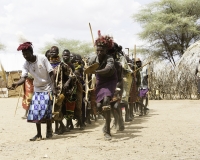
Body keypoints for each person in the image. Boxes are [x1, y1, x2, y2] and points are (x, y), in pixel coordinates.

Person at [12, 42, 56, 141]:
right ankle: (39, 134)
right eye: (24, 55)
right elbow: (24, 77)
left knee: (46, 110)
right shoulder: (25, 64)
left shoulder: (42, 58)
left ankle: (49, 130)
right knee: (36, 111)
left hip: (48, 87)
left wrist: (54, 87)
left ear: (31, 52)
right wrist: (17, 84)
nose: (25, 56)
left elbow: (51, 72)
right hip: (37, 89)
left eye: (27, 54)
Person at [90, 31, 117, 140]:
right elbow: (88, 68)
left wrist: (97, 71)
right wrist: (88, 69)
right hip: (100, 81)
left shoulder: (110, 58)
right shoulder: (93, 58)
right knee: (100, 106)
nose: (100, 52)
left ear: (106, 50)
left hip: (110, 80)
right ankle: (106, 123)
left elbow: (108, 69)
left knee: (106, 101)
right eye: (98, 50)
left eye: (102, 50)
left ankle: (108, 132)